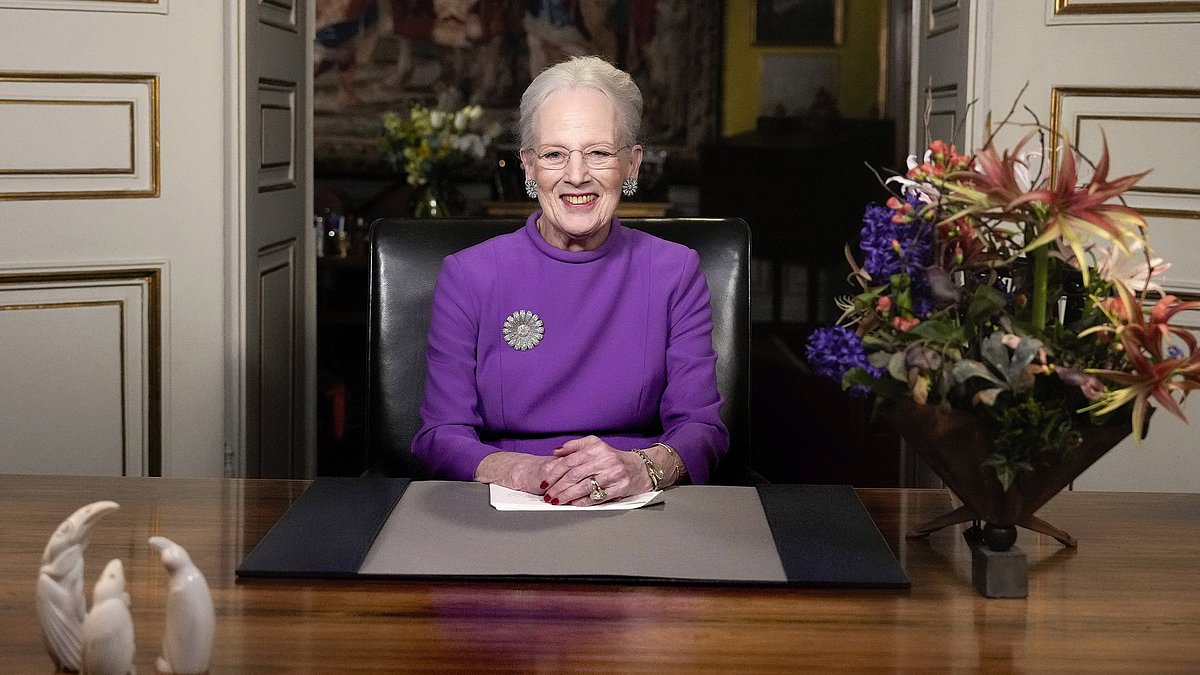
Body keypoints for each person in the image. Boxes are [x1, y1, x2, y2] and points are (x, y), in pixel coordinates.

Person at [412, 56, 728, 505]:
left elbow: (703, 429)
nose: (576, 176)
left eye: (598, 153)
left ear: (632, 165)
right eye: (555, 154)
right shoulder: (468, 275)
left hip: (635, 504)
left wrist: (640, 468)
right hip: (505, 502)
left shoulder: (675, 270)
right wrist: (529, 472)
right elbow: (439, 435)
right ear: (528, 166)